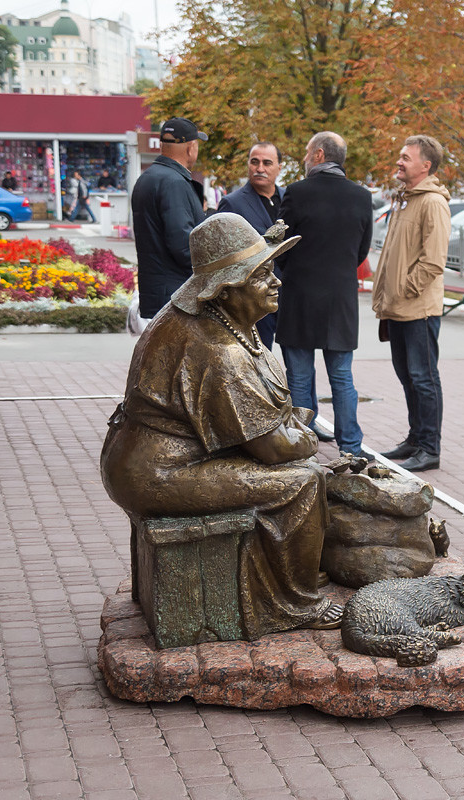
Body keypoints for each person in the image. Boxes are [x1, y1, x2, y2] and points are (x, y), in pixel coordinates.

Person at [100, 212, 343, 637]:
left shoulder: (206, 319)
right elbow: (273, 449)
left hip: (144, 458)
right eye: (261, 275)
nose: (277, 281)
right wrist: (305, 437)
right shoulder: (217, 349)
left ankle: (287, 569)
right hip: (160, 473)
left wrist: (286, 426)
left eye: (271, 270)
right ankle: (292, 603)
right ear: (225, 291)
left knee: (295, 473)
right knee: (302, 481)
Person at [274, 131, 373, 458]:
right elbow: (361, 251)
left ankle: (303, 449)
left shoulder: (297, 193)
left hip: (300, 297)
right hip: (340, 301)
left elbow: (281, 247)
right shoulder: (361, 197)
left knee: (300, 378)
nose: (304, 158)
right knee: (342, 377)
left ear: (318, 155)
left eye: (306, 152)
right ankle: (351, 449)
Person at [372, 135, 451, 473]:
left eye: (406, 157)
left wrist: (403, 289)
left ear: (425, 166)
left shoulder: (431, 202)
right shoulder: (406, 199)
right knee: (407, 376)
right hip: (398, 307)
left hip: (416, 308)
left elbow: (433, 262)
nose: (399, 161)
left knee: (423, 378)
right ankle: (416, 439)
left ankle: (430, 448)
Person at [131, 117, 207, 320]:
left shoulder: (147, 177)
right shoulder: (174, 182)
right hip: (176, 295)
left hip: (157, 293)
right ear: (191, 148)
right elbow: (183, 245)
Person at [218, 142, 286, 351]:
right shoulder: (232, 203)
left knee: (296, 368)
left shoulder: (290, 198)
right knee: (258, 357)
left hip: (289, 294)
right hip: (252, 297)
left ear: (279, 167)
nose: (260, 168)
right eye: (254, 162)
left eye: (267, 163)